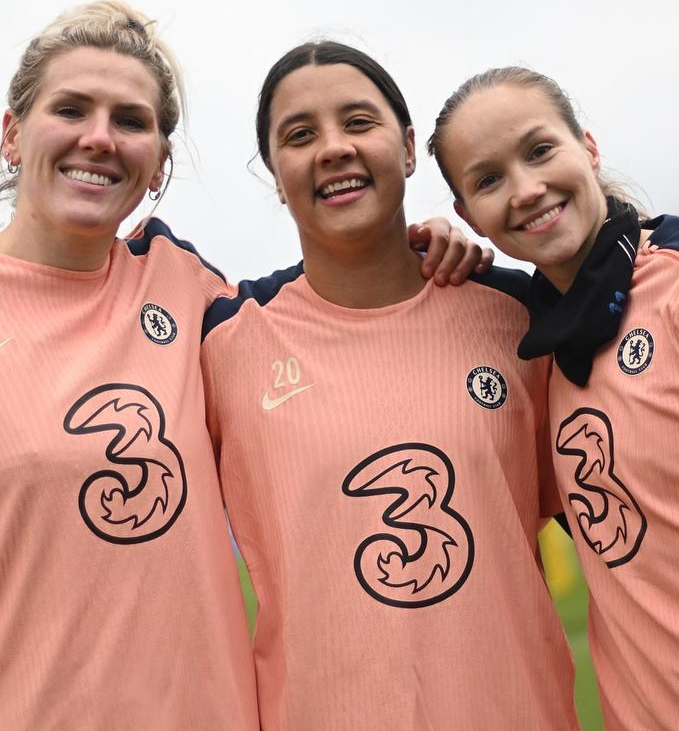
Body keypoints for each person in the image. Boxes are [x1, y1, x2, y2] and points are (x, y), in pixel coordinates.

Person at [0, 1, 479, 730]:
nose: (99, 138)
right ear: (13, 135)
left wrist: (416, 247)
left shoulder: (193, 294)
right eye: (71, 109)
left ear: (158, 164)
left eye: (130, 120)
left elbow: (332, 323)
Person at [200, 43, 578, 730]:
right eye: (300, 135)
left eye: (358, 122)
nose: (334, 148)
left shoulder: (521, 317)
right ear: (276, 177)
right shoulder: (223, 341)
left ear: (407, 150)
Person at [427, 67, 679, 730]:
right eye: (488, 180)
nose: (526, 190)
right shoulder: (533, 348)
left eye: (540, 150)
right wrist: (420, 267)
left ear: (589, 146)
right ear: (469, 216)